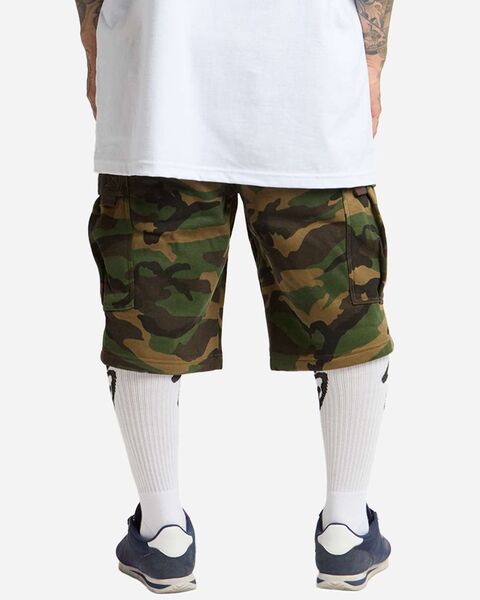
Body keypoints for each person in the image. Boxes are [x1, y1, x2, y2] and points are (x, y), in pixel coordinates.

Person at [76, 0, 395, 592]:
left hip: (157, 67)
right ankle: (346, 531)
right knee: (343, 312)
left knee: (147, 311)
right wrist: (371, 57)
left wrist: (95, 38)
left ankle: (163, 533)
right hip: (309, 69)